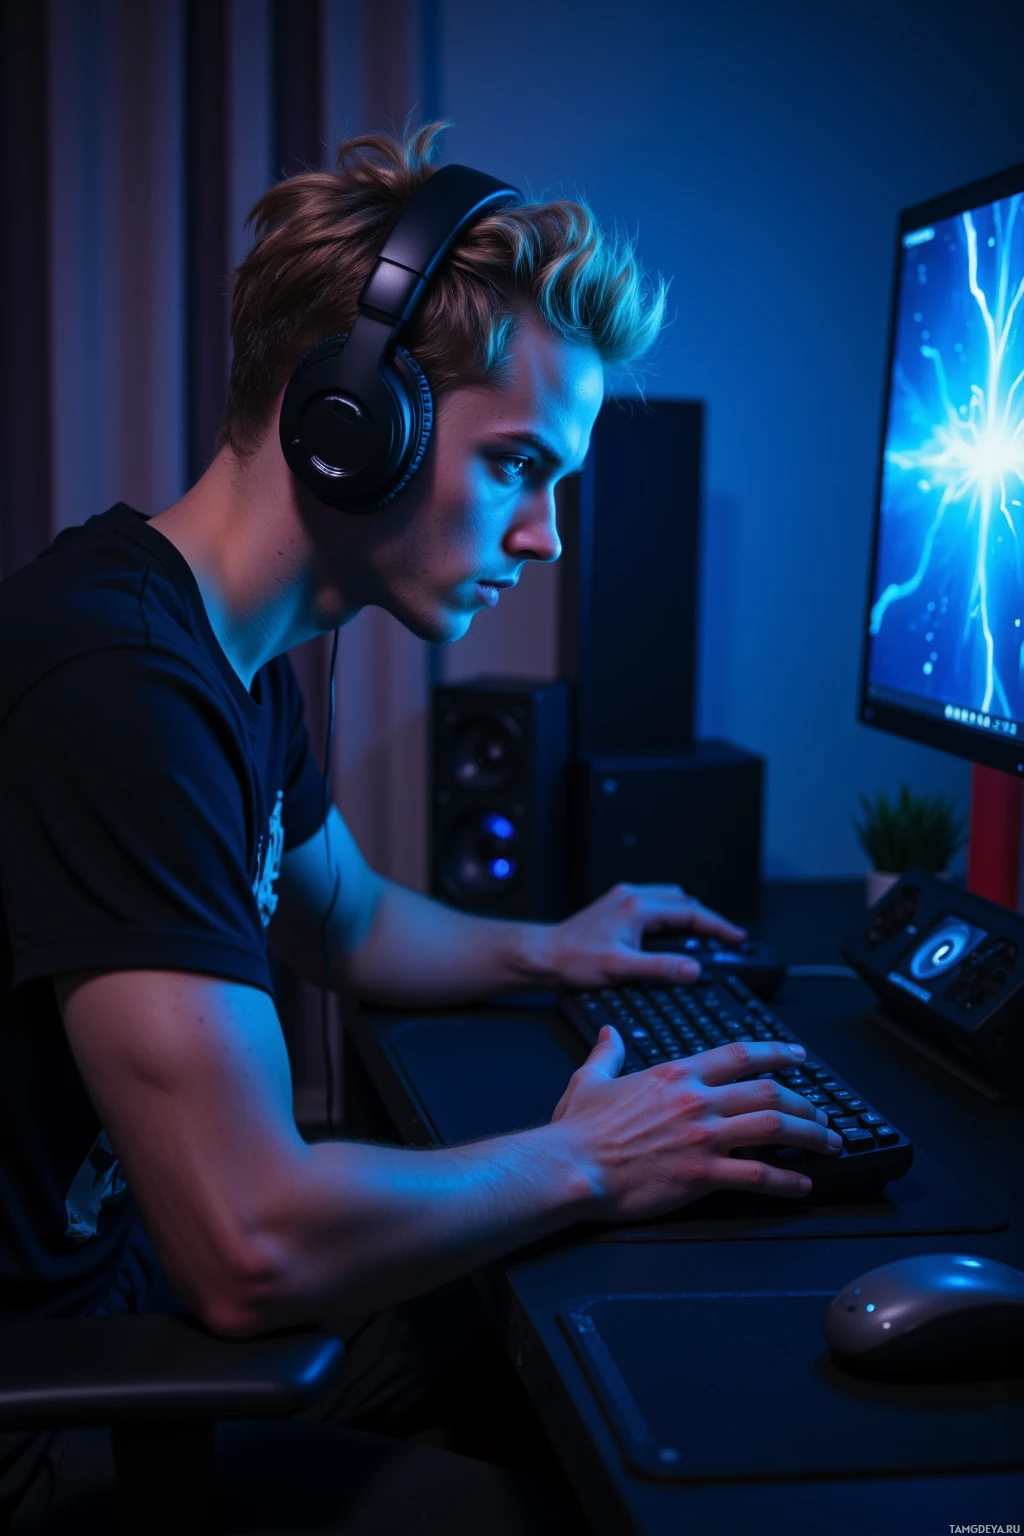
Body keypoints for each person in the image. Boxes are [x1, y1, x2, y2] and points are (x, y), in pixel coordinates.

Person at [0, 123, 840, 1523]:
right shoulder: (117, 690)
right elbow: (252, 1247)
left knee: (574, 1367)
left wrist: (555, 950)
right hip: (56, 1418)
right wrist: (589, 1153)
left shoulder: (228, 655)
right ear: (350, 423)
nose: (547, 539)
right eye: (519, 466)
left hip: (133, 1303)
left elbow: (351, 915)